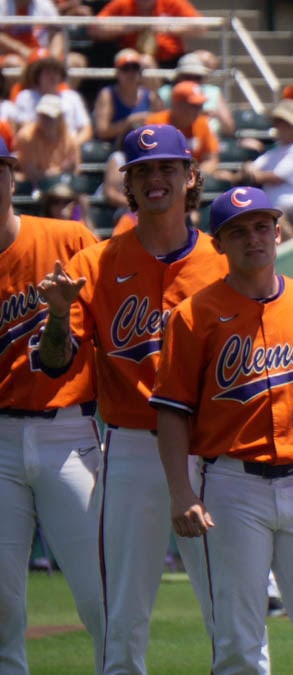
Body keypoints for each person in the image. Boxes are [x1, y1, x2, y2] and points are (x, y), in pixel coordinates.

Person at [34, 124, 229, 674]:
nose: (155, 179)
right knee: (120, 619)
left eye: (166, 167)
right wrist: (55, 314)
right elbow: (54, 362)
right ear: (129, 184)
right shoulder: (95, 263)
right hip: (128, 449)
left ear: (190, 176)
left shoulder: (222, 261)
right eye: (142, 170)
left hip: (209, 447)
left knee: (231, 613)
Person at [150, 186, 293, 673]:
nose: (253, 238)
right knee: (239, 643)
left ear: (279, 231)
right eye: (237, 231)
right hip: (229, 486)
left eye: (262, 226)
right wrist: (181, 492)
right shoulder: (192, 316)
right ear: (218, 244)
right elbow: (171, 412)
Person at [0, 136, 103, 674]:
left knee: (101, 593)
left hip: (69, 431)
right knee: (1, 605)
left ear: (13, 177)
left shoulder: (67, 238)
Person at [241, 99, 293, 239]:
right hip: (274, 209)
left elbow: (275, 178)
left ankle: (292, 255)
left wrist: (252, 172)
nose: (279, 126)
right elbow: (246, 171)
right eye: (278, 122)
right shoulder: (274, 152)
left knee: (275, 218)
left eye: (284, 122)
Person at [89, 0, 204, 68]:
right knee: (146, 62)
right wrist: (125, 27)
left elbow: (200, 26)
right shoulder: (123, 3)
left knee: (205, 59)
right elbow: (94, 29)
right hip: (132, 61)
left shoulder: (172, 2)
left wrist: (170, 28)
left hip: (171, 58)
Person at [12, 51, 92, 142]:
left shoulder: (72, 97)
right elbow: (25, 129)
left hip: (69, 146)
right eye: (47, 72)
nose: (52, 76)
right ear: (38, 76)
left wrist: (72, 146)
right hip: (37, 147)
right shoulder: (26, 96)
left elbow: (86, 130)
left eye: (56, 72)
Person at [145, 80, 218, 176]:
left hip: (194, 176)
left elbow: (211, 159)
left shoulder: (202, 123)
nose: (198, 110)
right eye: (193, 106)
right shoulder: (155, 123)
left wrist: (194, 175)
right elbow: (150, 160)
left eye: (200, 106)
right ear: (177, 105)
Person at [158, 51, 235, 138]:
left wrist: (215, 115)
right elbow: (159, 121)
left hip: (210, 138)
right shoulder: (165, 92)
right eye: (188, 77)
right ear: (178, 77)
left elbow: (229, 129)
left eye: (197, 77)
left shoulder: (213, 92)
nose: (193, 81)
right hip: (173, 138)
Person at [93, 49, 162, 144]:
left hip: (146, 145)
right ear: (117, 72)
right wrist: (129, 122)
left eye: (135, 68)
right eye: (125, 68)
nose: (131, 73)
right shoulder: (108, 95)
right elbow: (102, 131)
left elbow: (163, 125)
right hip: (115, 147)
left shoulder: (151, 96)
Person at [14, 94, 79, 184]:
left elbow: (75, 171)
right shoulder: (27, 137)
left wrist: (57, 173)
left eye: (49, 117)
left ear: (60, 118)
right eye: (42, 115)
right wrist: (60, 171)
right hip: (31, 186)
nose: (45, 120)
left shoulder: (70, 139)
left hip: (62, 186)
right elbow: (31, 174)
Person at [0, 0, 65, 68]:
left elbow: (57, 32)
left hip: (43, 55)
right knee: (13, 62)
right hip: (10, 55)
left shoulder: (44, 4)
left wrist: (53, 58)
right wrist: (24, 51)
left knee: (74, 61)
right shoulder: (2, 4)